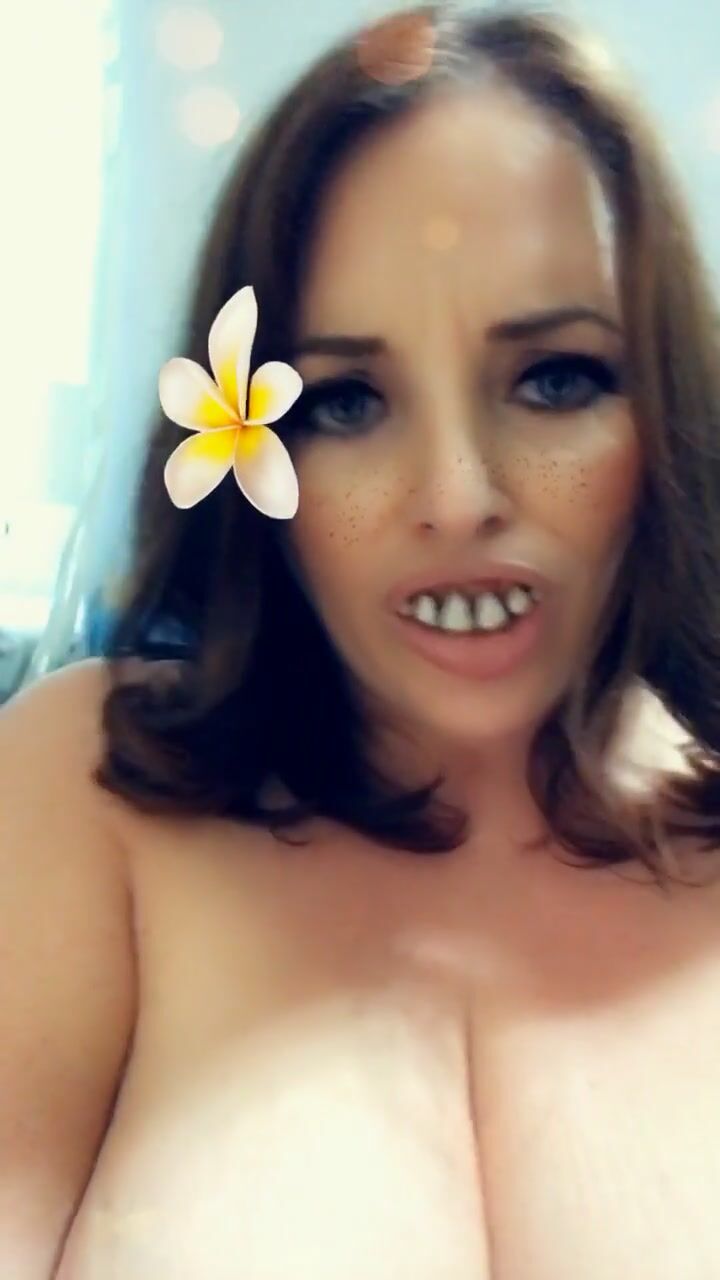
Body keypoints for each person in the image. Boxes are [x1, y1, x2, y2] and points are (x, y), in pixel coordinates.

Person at [4, 5, 720, 1277]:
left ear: (663, 410)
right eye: (343, 400)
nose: (456, 494)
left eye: (556, 377)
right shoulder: (89, 785)